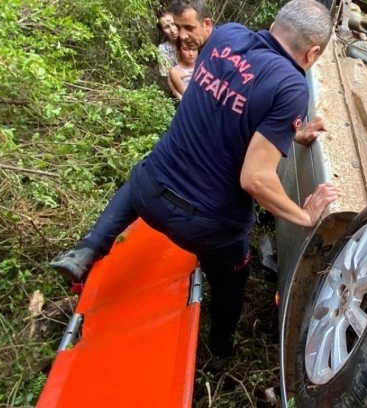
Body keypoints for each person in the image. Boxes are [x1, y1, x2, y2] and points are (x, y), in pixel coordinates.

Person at [50, 0, 338, 370]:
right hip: (209, 225)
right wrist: (304, 215)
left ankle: (89, 247)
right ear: (312, 52)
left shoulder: (225, 36)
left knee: (142, 173)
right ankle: (220, 352)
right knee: (233, 280)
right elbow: (255, 178)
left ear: (275, 24)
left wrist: (286, 133)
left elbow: (225, 106)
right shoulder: (291, 85)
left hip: (148, 194)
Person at [156, 11, 179, 78]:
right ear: (163, 31)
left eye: (173, 24)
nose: (172, 30)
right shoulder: (162, 49)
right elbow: (167, 76)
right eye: (166, 27)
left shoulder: (189, 39)